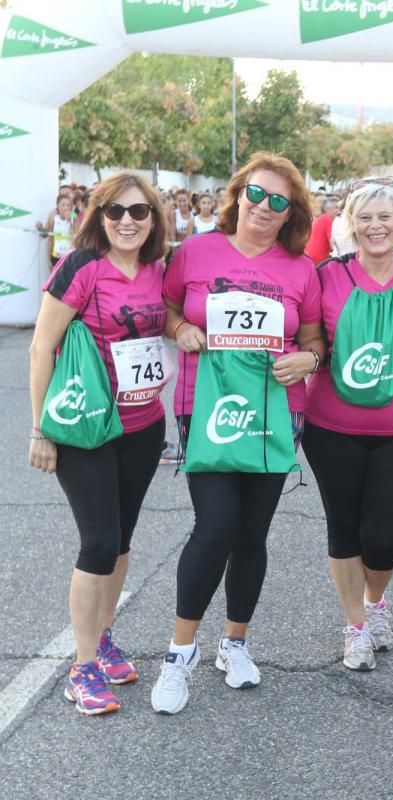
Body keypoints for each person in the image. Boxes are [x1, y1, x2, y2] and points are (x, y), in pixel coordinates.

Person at [150, 152, 324, 715]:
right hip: (207, 408)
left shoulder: (300, 267)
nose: (264, 207)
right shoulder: (197, 251)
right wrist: (181, 328)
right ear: (237, 194)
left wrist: (308, 361)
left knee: (252, 534)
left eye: (279, 200)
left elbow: (317, 339)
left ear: (291, 211)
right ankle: (179, 654)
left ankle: (236, 643)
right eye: (256, 194)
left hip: (277, 413)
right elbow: (167, 307)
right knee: (216, 524)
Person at [29, 173, 170, 715]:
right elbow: (41, 348)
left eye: (138, 212)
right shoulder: (82, 267)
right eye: (115, 212)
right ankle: (82, 667)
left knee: (122, 542)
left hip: (142, 425)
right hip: (86, 426)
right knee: (99, 541)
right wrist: (40, 428)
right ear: (98, 217)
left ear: (154, 218)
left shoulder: (158, 270)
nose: (127, 221)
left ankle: (105, 638)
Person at [302, 184, 393, 672]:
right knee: (344, 528)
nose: (375, 226)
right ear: (350, 224)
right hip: (332, 424)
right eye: (365, 217)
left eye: (386, 217)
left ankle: (375, 601)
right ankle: (356, 626)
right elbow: (309, 338)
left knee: (384, 536)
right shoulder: (327, 276)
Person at [36, 194, 79, 269]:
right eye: (63, 205)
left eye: (68, 205)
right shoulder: (53, 218)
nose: (65, 207)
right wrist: (49, 259)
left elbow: (76, 235)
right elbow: (50, 239)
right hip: (56, 255)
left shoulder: (74, 216)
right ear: (58, 206)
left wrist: (69, 221)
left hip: (70, 256)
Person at [305, 195, 340, 264]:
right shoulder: (327, 219)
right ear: (327, 209)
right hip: (319, 260)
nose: (338, 211)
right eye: (336, 208)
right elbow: (332, 242)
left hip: (310, 258)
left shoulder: (321, 219)